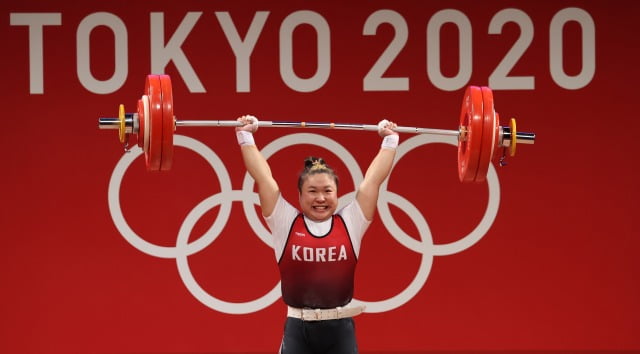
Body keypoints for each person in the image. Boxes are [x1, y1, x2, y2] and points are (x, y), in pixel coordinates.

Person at [235, 115, 399, 354]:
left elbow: (371, 183)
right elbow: (264, 179)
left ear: (337, 194)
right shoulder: (285, 222)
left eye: (327, 191)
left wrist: (390, 141)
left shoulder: (351, 221)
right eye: (312, 191)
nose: (320, 198)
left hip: (340, 331)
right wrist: (245, 136)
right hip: (297, 331)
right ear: (300, 196)